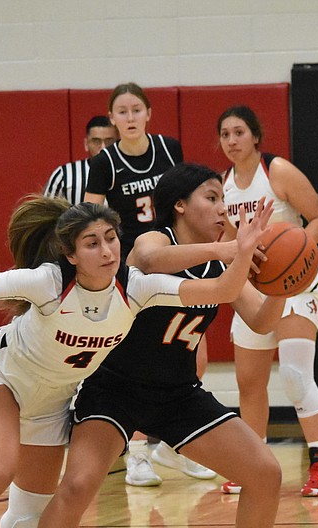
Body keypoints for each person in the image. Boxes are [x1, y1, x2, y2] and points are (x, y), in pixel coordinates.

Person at [0, 166, 300, 528]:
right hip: (113, 388)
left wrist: (284, 281)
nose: (225, 209)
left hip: (177, 394)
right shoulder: (148, 242)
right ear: (180, 205)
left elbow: (261, 320)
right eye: (213, 197)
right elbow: (154, 259)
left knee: (265, 472)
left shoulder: (221, 265)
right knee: (78, 486)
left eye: (225, 200)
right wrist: (231, 249)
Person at [84, 82, 211, 487]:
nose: (130, 118)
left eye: (136, 109)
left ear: (149, 113)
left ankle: (175, 445)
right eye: (122, 112)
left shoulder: (169, 149)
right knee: (139, 355)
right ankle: (137, 454)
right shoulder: (105, 162)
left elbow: (186, 198)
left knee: (194, 352)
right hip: (133, 266)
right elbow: (91, 217)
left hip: (173, 253)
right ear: (112, 119)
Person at [218, 105, 318, 498]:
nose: (232, 140)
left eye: (239, 132)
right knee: (249, 382)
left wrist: (293, 254)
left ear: (256, 135)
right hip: (254, 289)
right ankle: (254, 465)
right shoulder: (221, 186)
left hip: (296, 285)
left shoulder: (279, 172)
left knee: (294, 374)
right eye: (225, 135)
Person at [42, 115, 118, 206]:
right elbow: (45, 214)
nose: (103, 147)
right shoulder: (64, 174)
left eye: (109, 141)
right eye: (96, 141)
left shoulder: (129, 171)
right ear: (86, 144)